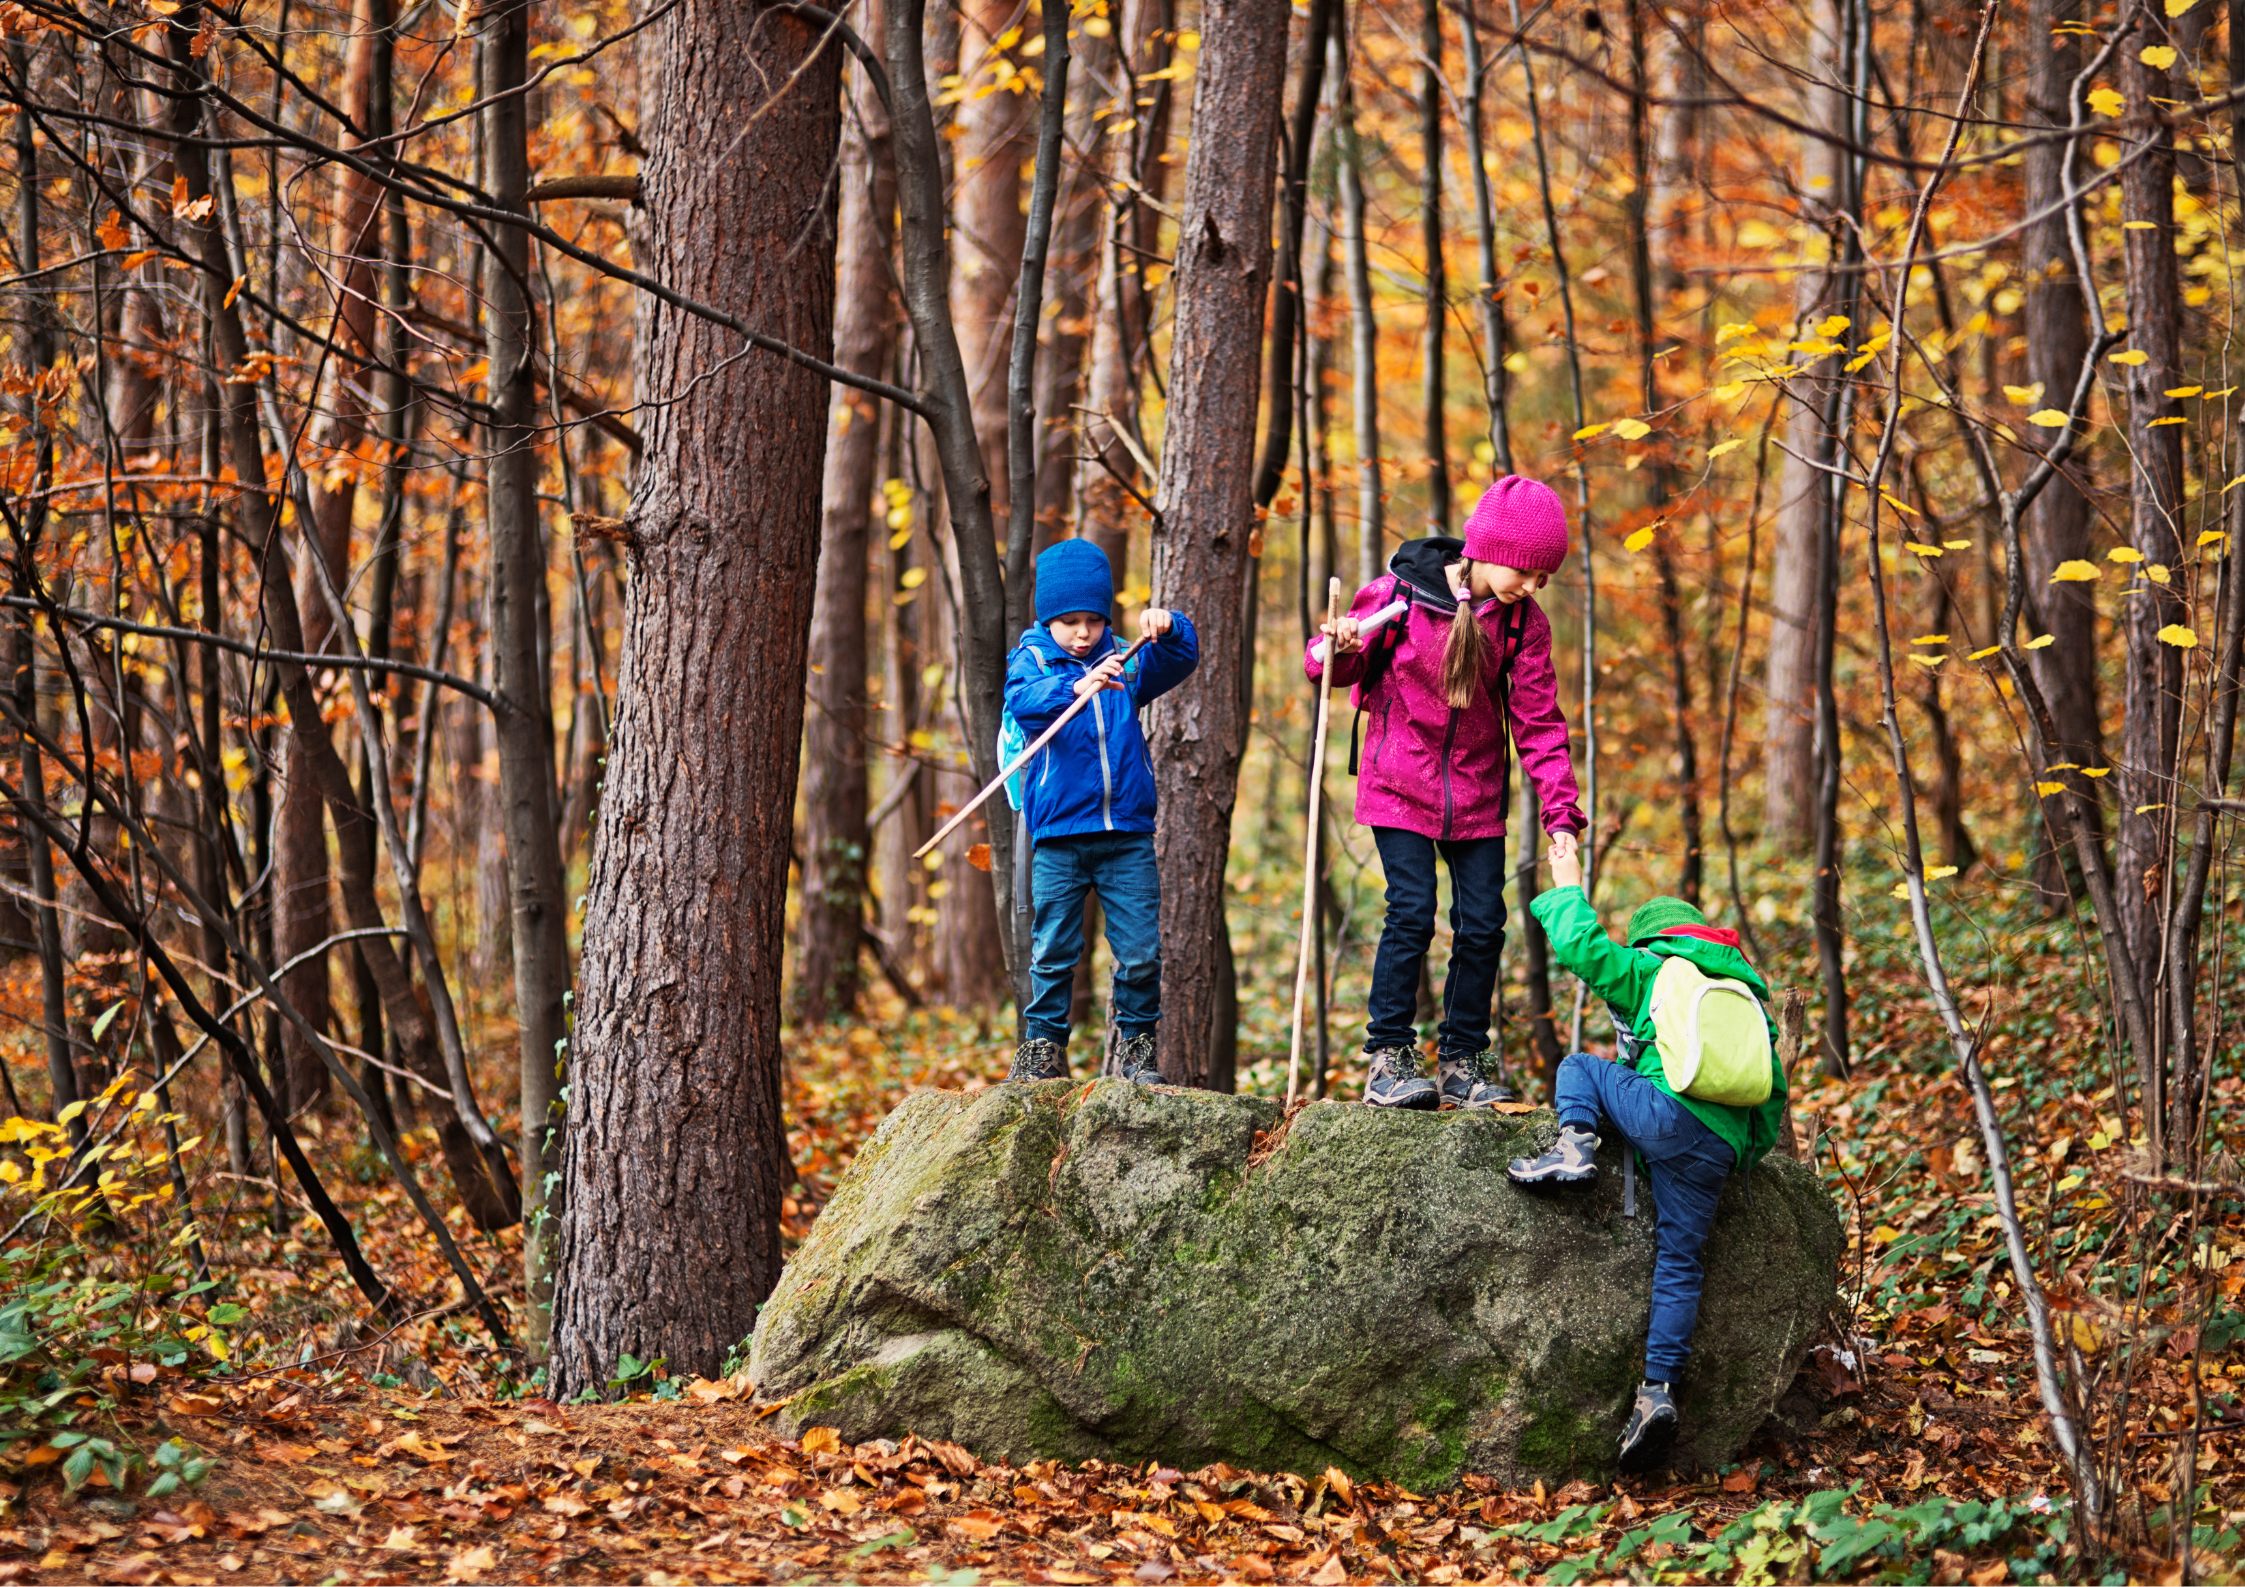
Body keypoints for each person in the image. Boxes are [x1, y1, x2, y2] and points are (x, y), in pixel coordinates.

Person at [1506, 841, 1788, 1475]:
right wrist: (1743, 1153)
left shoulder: (1655, 970)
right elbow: (1771, 1094)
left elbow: (1583, 950)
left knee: (1580, 1066)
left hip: (1664, 1117)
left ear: (1654, 938)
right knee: (1680, 1264)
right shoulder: (1747, 995)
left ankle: (1574, 1147)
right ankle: (1656, 1391)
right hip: (1718, 1148)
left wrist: (1565, 883)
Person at [1306, 475, 1586, 1111]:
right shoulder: (1399, 595)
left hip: (1478, 793)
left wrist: (1560, 814)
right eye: (1527, 570)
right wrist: (1338, 645)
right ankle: (1388, 1057)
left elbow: (1540, 723)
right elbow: (1329, 666)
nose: (1533, 586)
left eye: (1545, 577)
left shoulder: (1523, 626)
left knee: (1484, 923)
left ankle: (1463, 1057)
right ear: (1487, 548)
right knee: (1411, 910)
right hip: (1398, 782)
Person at [1003, 538, 1199, 1084]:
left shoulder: (1125, 661)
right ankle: (1042, 1047)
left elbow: (1181, 658)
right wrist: (1075, 685)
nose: (1084, 633)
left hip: (1125, 835)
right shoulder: (1033, 658)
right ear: (1049, 619)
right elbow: (1025, 701)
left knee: (1139, 952)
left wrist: (1171, 624)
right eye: (1070, 621)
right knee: (1053, 950)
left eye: (1093, 619)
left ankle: (1137, 1049)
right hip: (1060, 836)